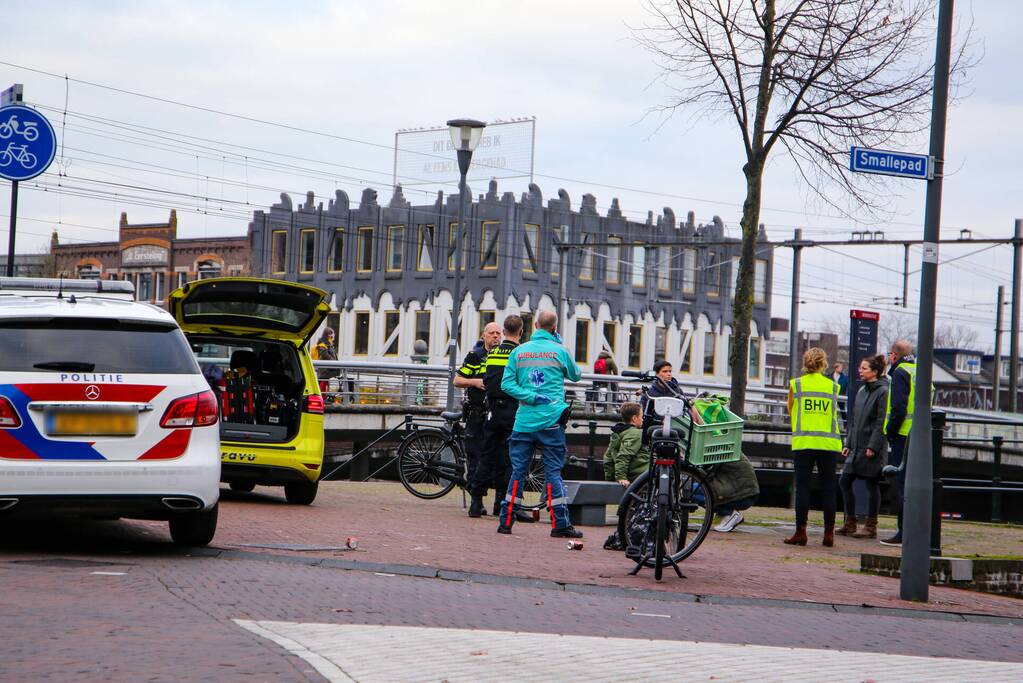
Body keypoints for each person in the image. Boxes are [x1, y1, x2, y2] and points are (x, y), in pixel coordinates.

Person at [496, 309, 582, 537]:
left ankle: (506, 522)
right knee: (553, 472)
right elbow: (576, 375)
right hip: (551, 421)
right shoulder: (559, 350)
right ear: (554, 328)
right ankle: (560, 524)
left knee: (518, 471)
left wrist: (531, 397)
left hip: (524, 422)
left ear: (535, 325)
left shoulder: (519, 351)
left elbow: (506, 384)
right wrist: (560, 346)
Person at [469, 316, 534, 523]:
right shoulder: (521, 353)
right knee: (510, 460)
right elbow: (526, 383)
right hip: (514, 411)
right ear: (521, 332)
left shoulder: (493, 353)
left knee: (486, 456)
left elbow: (487, 379)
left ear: (504, 332)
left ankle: (476, 502)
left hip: (492, 411)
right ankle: (503, 503)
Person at [784, 347, 843, 547]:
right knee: (829, 488)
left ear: (806, 362)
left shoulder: (797, 384)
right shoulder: (833, 386)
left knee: (803, 488)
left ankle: (801, 533)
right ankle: (829, 535)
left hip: (804, 442)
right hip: (828, 443)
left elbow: (790, 408)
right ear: (823, 363)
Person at [838, 354, 889, 539]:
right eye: (860, 367)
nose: (860, 371)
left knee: (872, 484)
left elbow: (881, 422)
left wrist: (873, 446)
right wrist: (848, 443)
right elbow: (854, 420)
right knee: (844, 481)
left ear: (875, 371)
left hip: (871, 447)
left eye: (864, 368)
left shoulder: (883, 392)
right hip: (856, 446)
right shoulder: (862, 391)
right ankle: (850, 522)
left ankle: (871, 525)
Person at [455, 322, 503, 517]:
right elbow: (457, 380)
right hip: (477, 415)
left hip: (496, 414)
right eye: (491, 333)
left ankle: (499, 503)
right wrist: (474, 381)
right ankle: (477, 502)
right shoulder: (475, 356)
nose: (495, 336)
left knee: (498, 459)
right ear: (484, 336)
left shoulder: (504, 355)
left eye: (498, 333)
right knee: (475, 458)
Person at [881, 339, 917, 546]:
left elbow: (899, 409)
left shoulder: (900, 373)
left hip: (903, 435)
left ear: (894, 355)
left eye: (889, 354)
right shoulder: (919, 371)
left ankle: (903, 533)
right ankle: (915, 531)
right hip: (920, 435)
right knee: (916, 486)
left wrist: (890, 431)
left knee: (903, 484)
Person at [602, 402, 650, 486]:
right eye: (641, 417)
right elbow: (624, 455)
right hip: (640, 476)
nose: (643, 419)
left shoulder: (618, 433)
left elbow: (608, 457)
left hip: (630, 476)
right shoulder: (635, 433)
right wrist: (621, 477)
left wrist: (610, 477)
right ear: (634, 418)